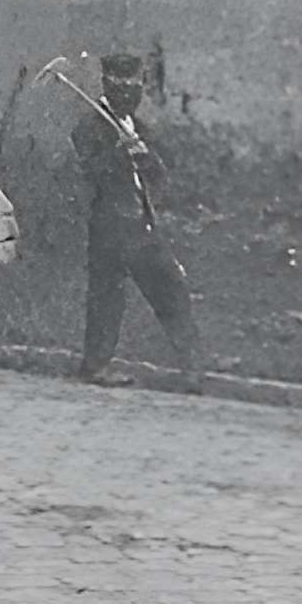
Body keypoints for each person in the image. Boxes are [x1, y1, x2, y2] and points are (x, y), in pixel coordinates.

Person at [72, 54, 199, 389]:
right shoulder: (89, 127)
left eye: (135, 86)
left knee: (170, 287)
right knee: (107, 297)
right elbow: (91, 172)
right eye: (121, 85)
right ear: (106, 84)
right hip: (108, 225)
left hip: (141, 223)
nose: (130, 93)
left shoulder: (140, 128)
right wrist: (119, 151)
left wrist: (145, 156)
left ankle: (192, 367)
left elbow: (159, 177)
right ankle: (95, 366)